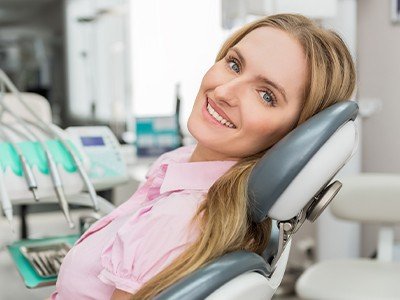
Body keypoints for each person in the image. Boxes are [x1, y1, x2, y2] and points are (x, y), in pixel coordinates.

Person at [51, 13, 356, 300]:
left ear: (293, 137)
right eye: (234, 64)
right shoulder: (183, 164)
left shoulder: (177, 220)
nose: (224, 91)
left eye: (266, 95)